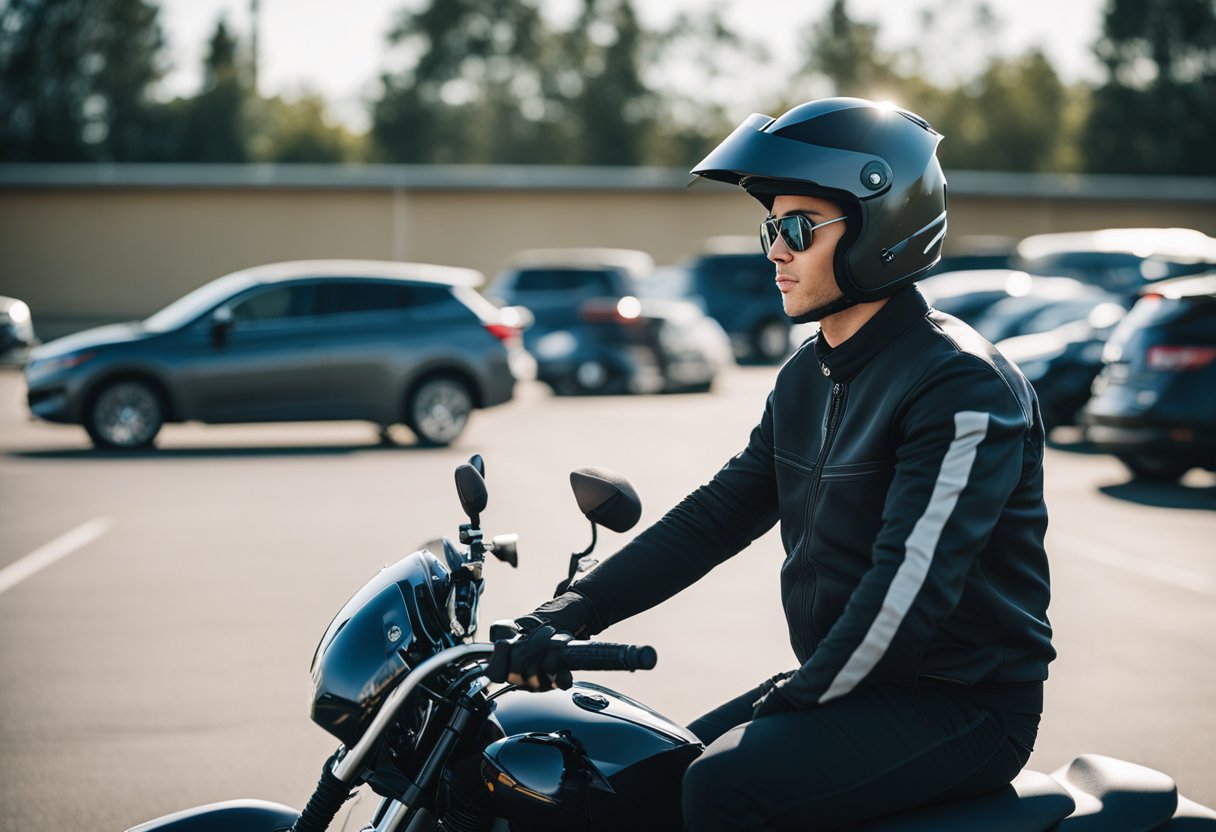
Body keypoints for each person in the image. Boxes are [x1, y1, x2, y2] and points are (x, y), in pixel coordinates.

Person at [491, 97, 1055, 830]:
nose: (775, 250)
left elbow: (908, 588)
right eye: (769, 228)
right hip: (855, 683)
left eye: (796, 227)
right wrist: (570, 611)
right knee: (639, 774)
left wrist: (790, 700)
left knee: (724, 787)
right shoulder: (808, 374)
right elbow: (717, 515)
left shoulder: (960, 386)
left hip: (960, 702)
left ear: (880, 228)